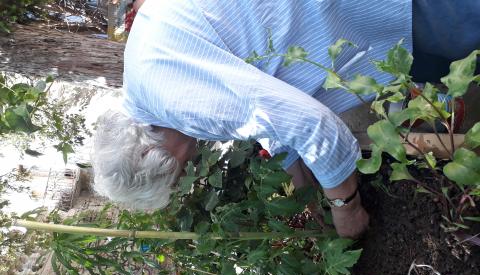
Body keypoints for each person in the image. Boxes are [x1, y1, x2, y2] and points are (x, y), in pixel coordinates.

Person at [92, 0, 480, 239]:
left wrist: (346, 208)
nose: (187, 165)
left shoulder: (177, 103)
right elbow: (266, 108)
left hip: (365, 10)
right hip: (354, 24)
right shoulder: (147, 78)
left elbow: (313, 125)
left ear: (153, 158)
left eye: (176, 174)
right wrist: (301, 181)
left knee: (461, 23)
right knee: (446, 59)